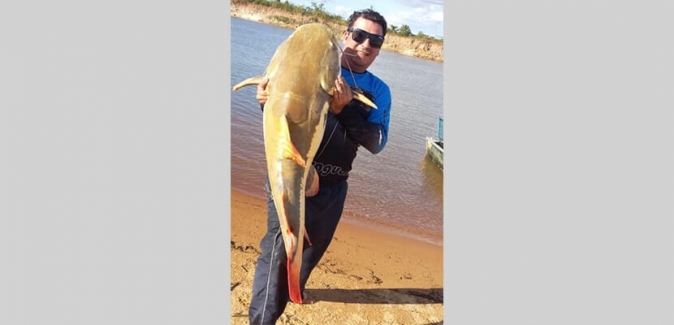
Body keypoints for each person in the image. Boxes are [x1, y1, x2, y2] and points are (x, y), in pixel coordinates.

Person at [248, 9, 392, 324]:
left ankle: (294, 290)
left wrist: (343, 108)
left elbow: (375, 142)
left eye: (376, 40)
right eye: (359, 35)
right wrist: (264, 100)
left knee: (310, 251)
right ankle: (262, 319)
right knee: (277, 251)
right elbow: (281, 109)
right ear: (345, 35)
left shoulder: (379, 91)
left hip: (333, 186)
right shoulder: (306, 62)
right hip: (289, 174)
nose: (366, 44)